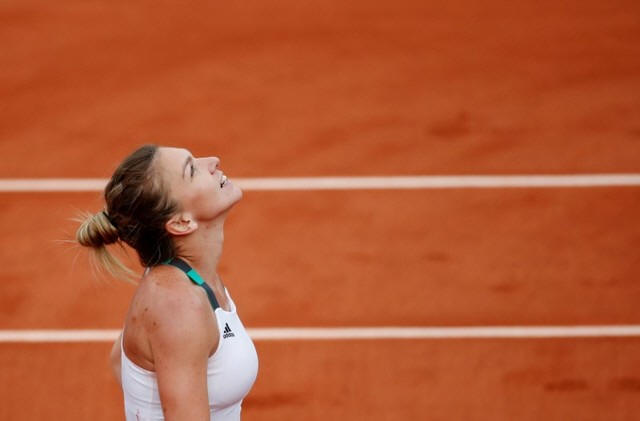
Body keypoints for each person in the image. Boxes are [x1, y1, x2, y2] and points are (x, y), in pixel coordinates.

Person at [76, 144, 258, 420]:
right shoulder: (178, 303)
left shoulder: (186, 277)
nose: (212, 161)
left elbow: (118, 358)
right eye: (192, 170)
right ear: (182, 223)